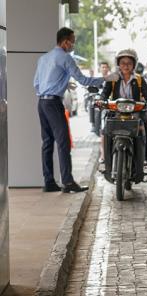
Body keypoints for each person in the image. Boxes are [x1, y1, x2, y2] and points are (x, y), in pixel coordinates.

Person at [34, 27, 119, 193]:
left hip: (42, 103)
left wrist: (61, 85)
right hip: (53, 104)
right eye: (72, 41)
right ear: (65, 42)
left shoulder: (43, 58)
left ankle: (49, 182)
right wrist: (107, 78)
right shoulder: (66, 58)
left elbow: (37, 84)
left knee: (47, 143)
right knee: (63, 142)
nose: (73, 45)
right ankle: (67, 182)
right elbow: (84, 80)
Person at [100, 49, 147, 194]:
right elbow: (104, 93)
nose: (126, 65)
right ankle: (106, 162)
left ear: (134, 64)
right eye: (123, 63)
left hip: (137, 115)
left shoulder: (139, 79)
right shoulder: (112, 78)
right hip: (116, 114)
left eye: (129, 63)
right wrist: (100, 100)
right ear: (118, 64)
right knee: (106, 135)